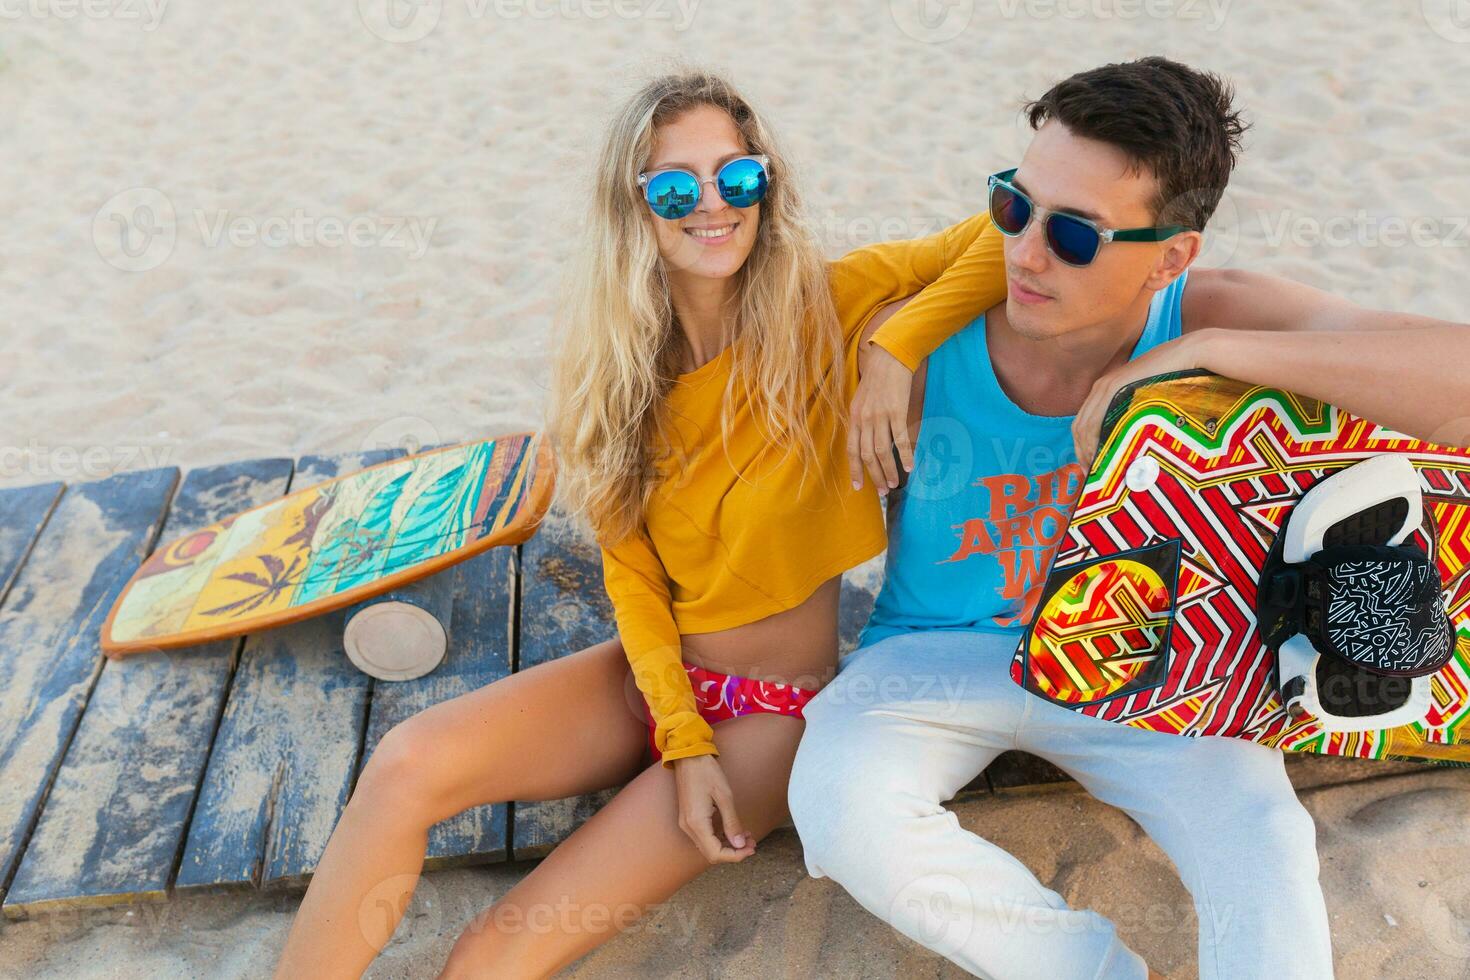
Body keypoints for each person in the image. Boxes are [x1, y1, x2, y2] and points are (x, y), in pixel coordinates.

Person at [272, 68, 1010, 978]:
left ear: (765, 184)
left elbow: (1003, 228)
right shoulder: (619, 371)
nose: (713, 205)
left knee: (492, 953)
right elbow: (633, 577)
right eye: (675, 187)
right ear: (635, 208)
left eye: (737, 177)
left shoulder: (829, 300)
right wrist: (678, 736)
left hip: (776, 713)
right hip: (654, 681)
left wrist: (897, 343)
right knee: (403, 764)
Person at [789, 56, 1470, 980]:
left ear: (1173, 255)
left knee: (1264, 844)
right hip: (933, 651)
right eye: (1012, 206)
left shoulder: (1210, 311)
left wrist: (1207, 349)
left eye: (1076, 235)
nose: (1025, 253)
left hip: (1153, 662)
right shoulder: (923, 327)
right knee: (841, 808)